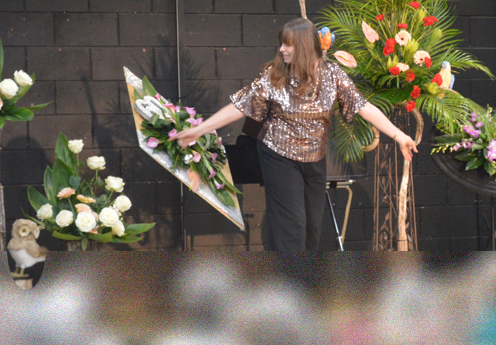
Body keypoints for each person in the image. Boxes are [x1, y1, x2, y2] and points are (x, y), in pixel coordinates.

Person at [170, 18, 417, 251]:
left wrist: (399, 136)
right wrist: (197, 131)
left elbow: (364, 107)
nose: (282, 50)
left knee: (311, 231)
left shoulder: (333, 75)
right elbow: (238, 107)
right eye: (281, 43)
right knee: (292, 229)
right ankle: (290, 287)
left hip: (314, 159)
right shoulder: (274, 77)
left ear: (304, 46)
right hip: (279, 156)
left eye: (288, 44)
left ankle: (301, 282)